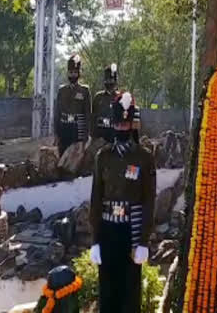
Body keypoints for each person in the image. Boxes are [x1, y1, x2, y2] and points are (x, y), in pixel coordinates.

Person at [89, 91, 155, 313]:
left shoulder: (144, 158)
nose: (121, 129)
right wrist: (95, 239)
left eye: (125, 125)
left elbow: (148, 201)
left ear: (132, 125)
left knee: (129, 295)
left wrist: (144, 241)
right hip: (108, 230)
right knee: (107, 292)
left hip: (131, 231)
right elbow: (96, 198)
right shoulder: (103, 156)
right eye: (118, 124)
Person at [55, 55, 91, 156]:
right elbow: (57, 113)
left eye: (75, 72)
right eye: (71, 72)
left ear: (79, 73)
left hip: (77, 130)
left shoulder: (84, 91)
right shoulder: (61, 90)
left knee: (76, 161)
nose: (73, 75)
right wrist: (56, 134)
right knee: (62, 158)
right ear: (67, 73)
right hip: (64, 129)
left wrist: (85, 136)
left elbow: (88, 114)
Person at [92, 64, 119, 145]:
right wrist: (93, 137)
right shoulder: (98, 97)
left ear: (115, 81)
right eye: (107, 80)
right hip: (99, 139)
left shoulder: (121, 98)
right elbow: (93, 118)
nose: (109, 82)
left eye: (111, 80)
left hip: (115, 139)